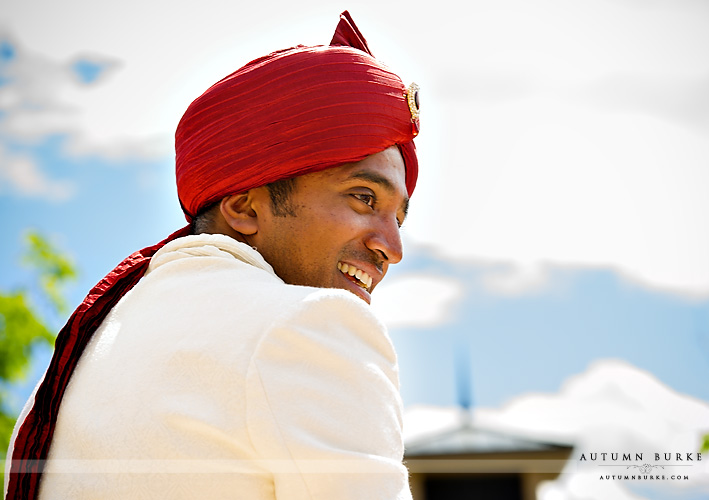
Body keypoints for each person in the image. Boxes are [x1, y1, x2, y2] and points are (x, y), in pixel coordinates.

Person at [5, 11, 420, 500]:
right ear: (244, 207)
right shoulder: (311, 326)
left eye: (399, 218)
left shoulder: (80, 361)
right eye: (364, 198)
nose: (391, 248)